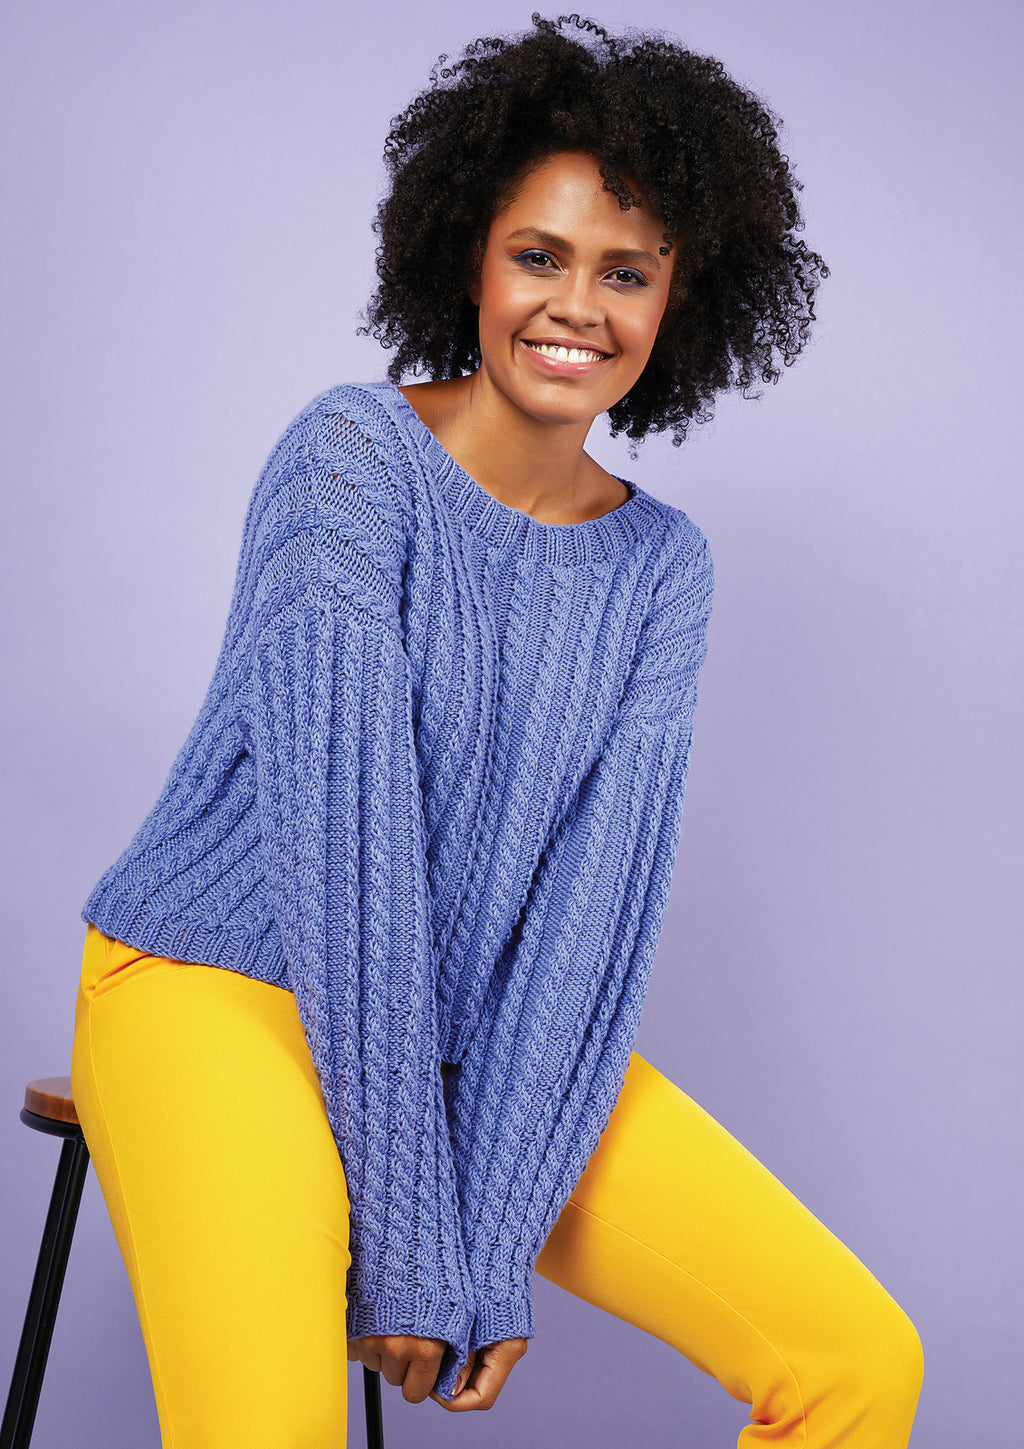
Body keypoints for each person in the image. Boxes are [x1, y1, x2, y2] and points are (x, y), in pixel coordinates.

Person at [70, 13, 923, 1447]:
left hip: (474, 1036)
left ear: (679, 300)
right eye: (539, 254)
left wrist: (493, 1237)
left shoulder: (663, 569)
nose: (576, 306)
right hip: (215, 982)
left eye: (625, 271)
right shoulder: (350, 462)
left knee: (858, 1361)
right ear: (468, 256)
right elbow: (351, 863)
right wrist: (419, 1239)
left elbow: (589, 921)